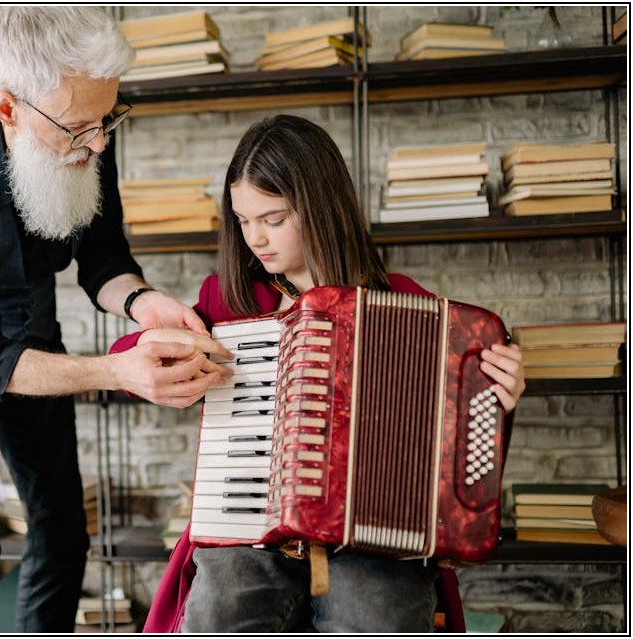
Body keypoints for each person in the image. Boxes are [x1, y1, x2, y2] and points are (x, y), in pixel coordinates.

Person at [0, 7, 232, 633]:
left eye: (105, 121)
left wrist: (143, 303)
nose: (96, 143)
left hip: (36, 345)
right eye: (77, 130)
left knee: (64, 534)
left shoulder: (86, 123)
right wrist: (117, 369)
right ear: (8, 109)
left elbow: (103, 260)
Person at [110, 115, 526, 633]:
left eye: (274, 218)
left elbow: (458, 442)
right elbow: (130, 357)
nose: (255, 238)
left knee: (372, 617)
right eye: (242, 219)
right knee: (222, 609)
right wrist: (155, 347)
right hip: (250, 526)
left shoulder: (401, 301)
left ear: (321, 206)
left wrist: (495, 393)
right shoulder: (232, 300)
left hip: (372, 538)